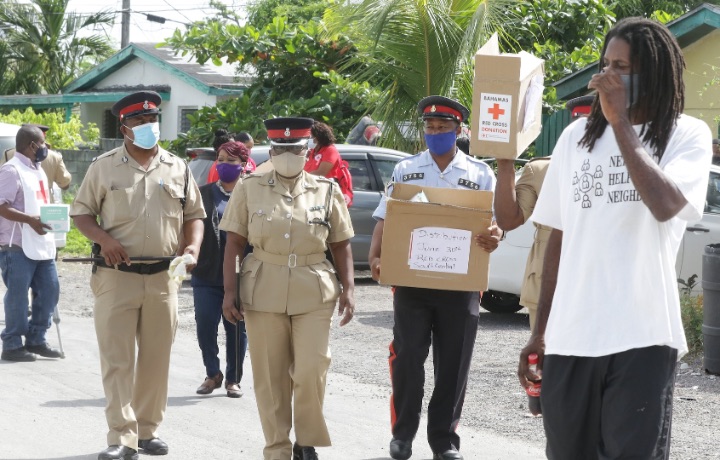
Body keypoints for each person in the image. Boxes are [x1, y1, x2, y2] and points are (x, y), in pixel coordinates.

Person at [517, 18, 713, 460]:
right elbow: (558, 239)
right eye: (605, 64)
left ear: (654, 72)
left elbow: (666, 204)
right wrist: (540, 331)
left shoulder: (685, 135)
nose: (606, 77)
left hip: (642, 335)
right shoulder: (574, 140)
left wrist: (620, 120)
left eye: (621, 68)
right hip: (571, 337)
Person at [70, 91, 205, 460]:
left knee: (156, 359)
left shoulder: (177, 166)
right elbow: (81, 214)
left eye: (153, 120)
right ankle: (121, 437)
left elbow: (194, 215)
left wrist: (192, 249)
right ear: (125, 127)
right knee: (118, 360)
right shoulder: (104, 166)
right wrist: (104, 239)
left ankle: (147, 432)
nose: (149, 126)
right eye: (141, 122)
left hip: (164, 279)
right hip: (116, 276)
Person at [368, 95, 503, 460]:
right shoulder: (406, 169)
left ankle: (443, 441)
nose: (436, 133)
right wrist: (375, 254)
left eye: (443, 127)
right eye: (430, 127)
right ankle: (402, 436)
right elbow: (387, 216)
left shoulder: (480, 173)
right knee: (408, 358)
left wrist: (495, 235)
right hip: (412, 281)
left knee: (454, 364)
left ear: (458, 130)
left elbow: (491, 225)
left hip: (460, 286)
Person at [219, 117, 355, 460]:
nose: (287, 154)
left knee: (311, 369)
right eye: (280, 148)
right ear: (271, 149)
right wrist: (229, 292)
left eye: (295, 149)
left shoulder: (326, 189)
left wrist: (350, 289)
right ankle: (277, 447)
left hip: (314, 288)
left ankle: (305, 440)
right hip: (263, 287)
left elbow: (340, 244)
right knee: (270, 376)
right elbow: (234, 242)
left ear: (307, 150)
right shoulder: (249, 186)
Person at [494, 95, 593, 330]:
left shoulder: (623, 172)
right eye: (581, 122)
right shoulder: (541, 170)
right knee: (547, 362)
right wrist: (505, 164)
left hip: (596, 284)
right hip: (547, 286)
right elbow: (509, 220)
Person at [0, 125, 63, 362]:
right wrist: (29, 220)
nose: (46, 148)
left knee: (50, 291)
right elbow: (1, 206)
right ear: (32, 145)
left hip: (42, 243)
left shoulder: (37, 169)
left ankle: (36, 339)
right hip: (17, 246)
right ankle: (12, 344)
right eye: (43, 144)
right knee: (17, 297)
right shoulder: (11, 170)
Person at [193, 141, 249, 399]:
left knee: (236, 327)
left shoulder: (251, 194)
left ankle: (233, 379)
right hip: (207, 271)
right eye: (221, 159)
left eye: (231, 161)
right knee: (205, 324)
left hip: (240, 274)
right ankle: (212, 373)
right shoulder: (203, 193)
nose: (224, 164)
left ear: (244, 164)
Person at [2, 124, 73, 203]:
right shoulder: (55, 157)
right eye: (42, 141)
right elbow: (65, 184)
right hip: (37, 208)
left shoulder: (9, 154)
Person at [306, 122, 353, 206]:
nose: (308, 139)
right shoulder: (312, 151)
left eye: (311, 137)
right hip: (312, 192)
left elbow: (321, 173)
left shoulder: (330, 150)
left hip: (327, 194)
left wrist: (301, 176)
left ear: (318, 138)